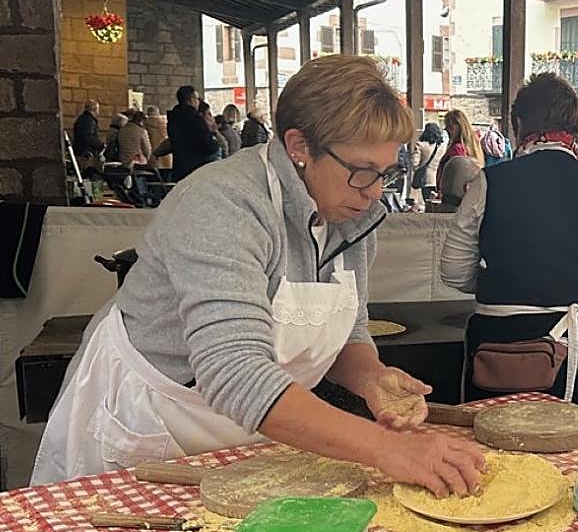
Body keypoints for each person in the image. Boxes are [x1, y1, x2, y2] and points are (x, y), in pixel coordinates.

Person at [32, 55, 484, 497]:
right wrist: (389, 449)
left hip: (250, 431)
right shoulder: (223, 204)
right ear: (299, 146)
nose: (374, 193)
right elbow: (235, 373)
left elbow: (350, 327)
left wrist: (371, 379)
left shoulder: (351, 215)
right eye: (363, 172)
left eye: (385, 173)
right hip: (152, 422)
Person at [440, 73, 578, 410]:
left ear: (517, 124)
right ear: (577, 128)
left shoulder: (488, 184)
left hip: (500, 359)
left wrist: (508, 285)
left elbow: (453, 272)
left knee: (496, 455)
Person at [168, 85, 220, 181]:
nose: (198, 102)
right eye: (197, 99)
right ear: (191, 99)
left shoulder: (173, 119)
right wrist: (216, 144)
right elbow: (208, 145)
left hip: (180, 167)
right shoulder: (195, 119)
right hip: (197, 169)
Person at [437, 109, 484, 195]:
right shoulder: (472, 145)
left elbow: (457, 176)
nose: (446, 129)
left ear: (457, 127)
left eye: (448, 126)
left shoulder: (457, 149)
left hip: (453, 197)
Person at [412, 122, 447, 208]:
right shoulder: (442, 147)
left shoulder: (420, 145)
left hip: (426, 179)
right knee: (437, 203)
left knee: (427, 203)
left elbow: (414, 163)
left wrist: (419, 168)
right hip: (439, 179)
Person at [144, 104, 172, 181]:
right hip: (167, 155)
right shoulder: (166, 122)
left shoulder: (145, 124)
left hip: (154, 155)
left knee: (154, 179)